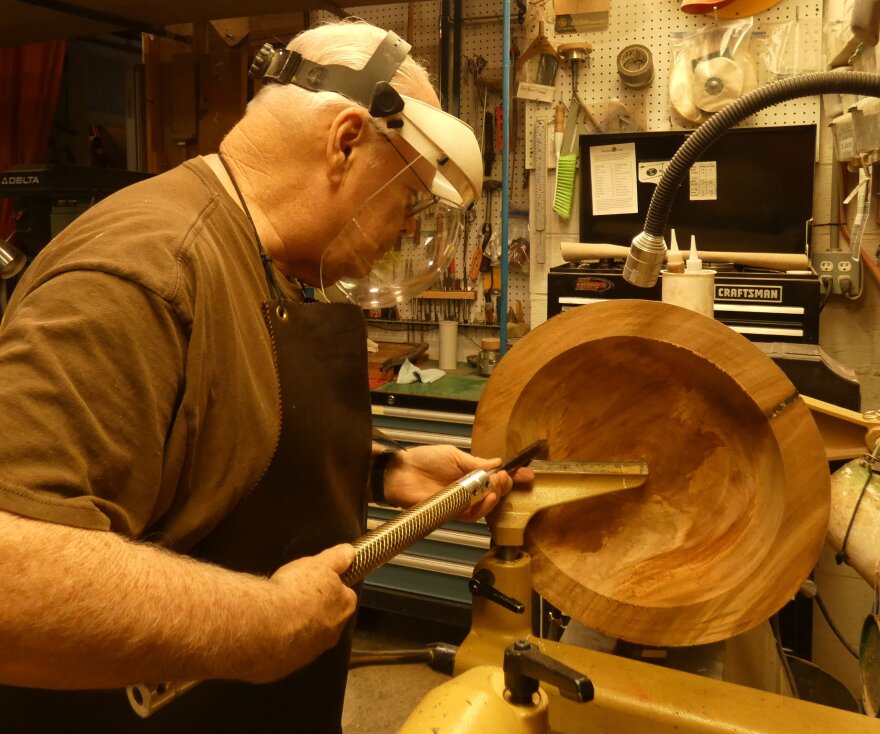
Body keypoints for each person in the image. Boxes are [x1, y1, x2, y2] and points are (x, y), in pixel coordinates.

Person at [0, 19, 529, 732]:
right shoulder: (148, 270)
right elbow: (13, 579)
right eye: (407, 201)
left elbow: (203, 437)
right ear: (345, 141)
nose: (405, 230)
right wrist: (261, 623)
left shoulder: (264, 260)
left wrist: (379, 471)